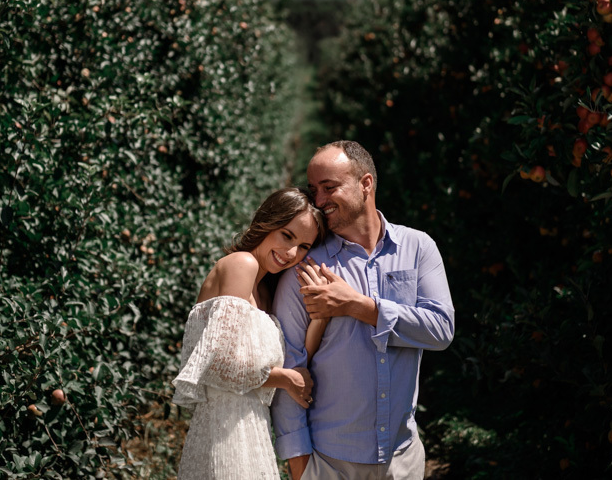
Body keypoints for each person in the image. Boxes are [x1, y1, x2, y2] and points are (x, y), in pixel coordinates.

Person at [272, 141, 455, 479]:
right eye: (314, 191)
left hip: (403, 460)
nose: (320, 201)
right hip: (330, 463)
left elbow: (441, 330)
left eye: (330, 187)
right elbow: (290, 367)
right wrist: (298, 465)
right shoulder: (306, 267)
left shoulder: (418, 248)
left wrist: (359, 306)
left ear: (366, 183)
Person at [172, 187, 328, 479]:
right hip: (223, 432)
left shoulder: (264, 293)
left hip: (252, 432)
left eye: (305, 246)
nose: (292, 253)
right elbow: (216, 365)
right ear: (266, 223)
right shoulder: (241, 265)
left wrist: (320, 318)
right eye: (287, 235)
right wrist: (285, 379)